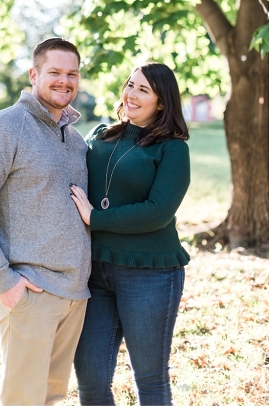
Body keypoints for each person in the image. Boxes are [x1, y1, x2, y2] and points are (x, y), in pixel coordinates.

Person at [0, 38, 91, 406]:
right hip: (28, 293)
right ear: (33, 74)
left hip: (73, 293)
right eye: (54, 72)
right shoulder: (3, 128)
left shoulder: (75, 140)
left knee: (50, 397)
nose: (65, 81)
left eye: (72, 73)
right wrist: (3, 280)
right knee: (22, 401)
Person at [69, 62, 190, 406]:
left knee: (149, 379)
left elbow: (158, 211)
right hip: (94, 273)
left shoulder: (172, 148)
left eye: (144, 90)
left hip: (150, 272)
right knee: (90, 381)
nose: (132, 94)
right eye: (130, 85)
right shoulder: (100, 135)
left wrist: (97, 218)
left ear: (162, 102)